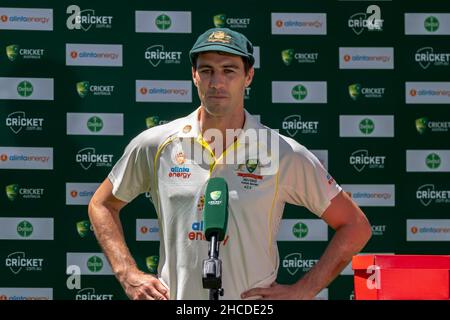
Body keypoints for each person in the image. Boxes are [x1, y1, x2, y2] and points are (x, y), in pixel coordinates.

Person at [88, 27, 372, 300]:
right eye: (207, 70)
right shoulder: (157, 143)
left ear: (248, 76)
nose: (217, 82)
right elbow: (101, 204)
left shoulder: (282, 152)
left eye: (229, 70)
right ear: (194, 76)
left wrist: (304, 290)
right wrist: (127, 273)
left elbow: (355, 225)